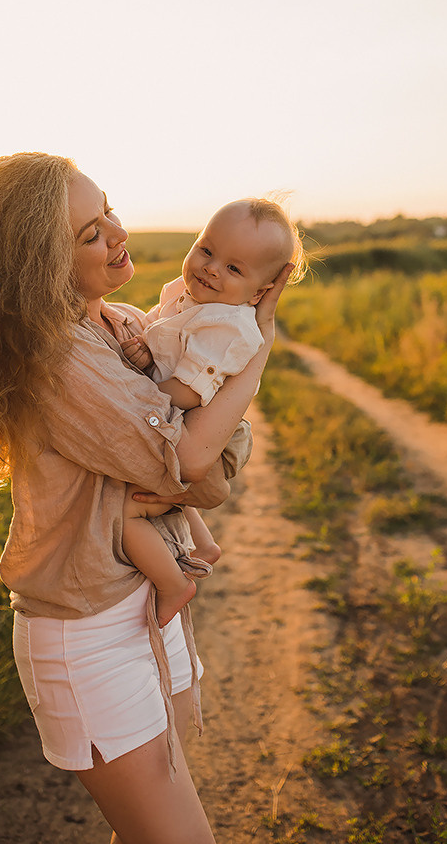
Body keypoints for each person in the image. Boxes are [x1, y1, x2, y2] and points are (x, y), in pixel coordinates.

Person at [0, 152, 292, 844]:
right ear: (35, 265)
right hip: (90, 625)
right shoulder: (56, 360)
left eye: (106, 209)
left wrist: (196, 456)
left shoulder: (125, 325)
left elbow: (212, 474)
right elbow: (194, 463)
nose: (115, 231)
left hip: (140, 603)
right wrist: (259, 344)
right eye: (88, 233)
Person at [119, 199, 307, 628]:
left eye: (234, 269)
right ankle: (203, 547)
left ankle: (174, 585)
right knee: (162, 489)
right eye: (206, 250)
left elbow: (186, 392)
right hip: (185, 417)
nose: (211, 269)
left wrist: (132, 388)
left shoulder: (232, 328)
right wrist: (146, 349)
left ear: (259, 293)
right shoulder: (180, 293)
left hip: (213, 430)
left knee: (128, 509)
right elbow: (163, 335)